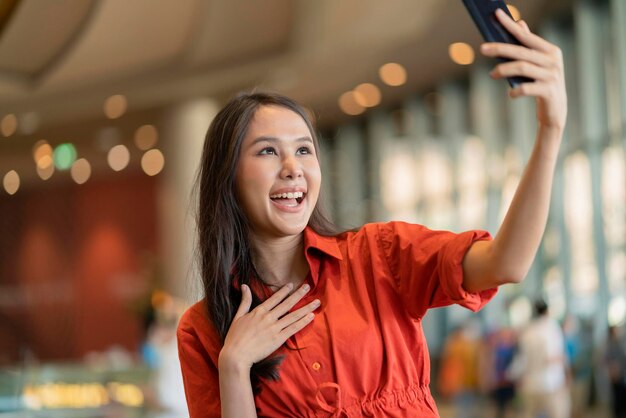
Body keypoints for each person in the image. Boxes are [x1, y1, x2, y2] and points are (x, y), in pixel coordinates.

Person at [177, 9, 567, 417]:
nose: (293, 166)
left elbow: (507, 262)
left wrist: (550, 129)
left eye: (304, 149)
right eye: (268, 150)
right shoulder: (203, 330)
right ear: (229, 178)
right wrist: (234, 366)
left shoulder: (379, 255)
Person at [516, 299, 570, 418]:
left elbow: (522, 360)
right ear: (547, 311)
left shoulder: (527, 331)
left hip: (530, 384)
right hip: (551, 384)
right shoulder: (551, 328)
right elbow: (553, 357)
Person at [604, 326, 626, 418]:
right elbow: (607, 360)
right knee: (617, 398)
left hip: (621, 375)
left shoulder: (618, 343)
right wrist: (613, 371)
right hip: (616, 376)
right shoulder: (610, 344)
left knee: (621, 397)